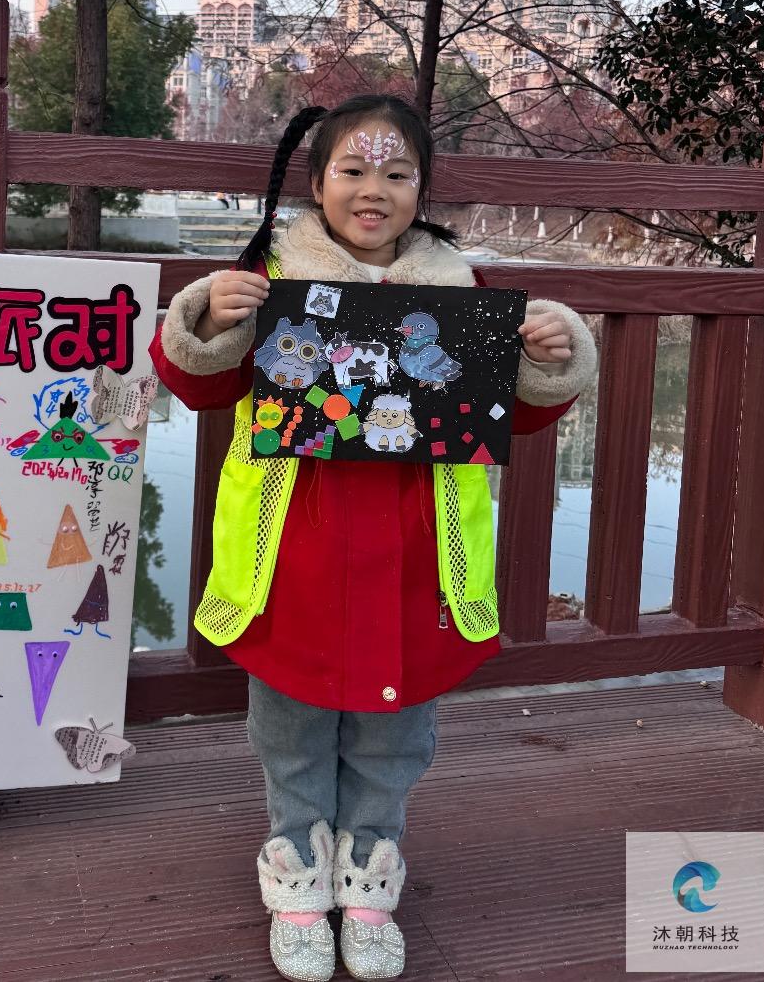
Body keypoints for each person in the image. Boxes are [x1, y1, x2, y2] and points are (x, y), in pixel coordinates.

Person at [149, 96, 597, 982]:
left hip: (417, 559)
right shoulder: (268, 275)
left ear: (421, 188)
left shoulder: (459, 289)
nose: (372, 190)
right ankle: (296, 873)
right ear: (315, 183)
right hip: (293, 553)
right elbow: (197, 384)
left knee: (396, 732)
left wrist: (547, 356)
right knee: (290, 726)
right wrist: (209, 316)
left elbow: (512, 414)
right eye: (351, 170)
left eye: (396, 174)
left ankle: (368, 875)